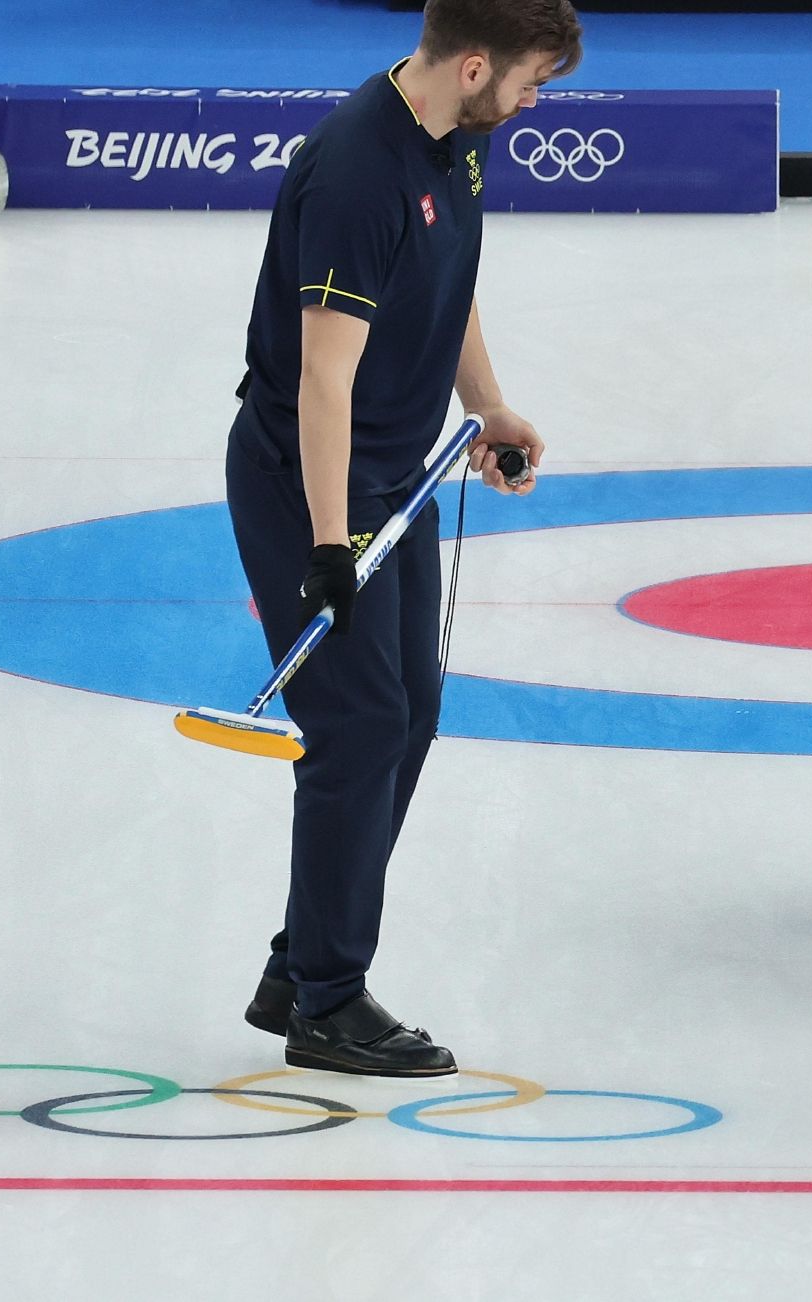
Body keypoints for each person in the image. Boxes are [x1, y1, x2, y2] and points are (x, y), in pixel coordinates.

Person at [226, 0, 581, 1074]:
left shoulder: (454, 141)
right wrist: (329, 546)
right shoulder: (355, 172)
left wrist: (488, 403)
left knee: (410, 708)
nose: (530, 105)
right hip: (311, 481)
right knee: (360, 723)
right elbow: (323, 379)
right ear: (474, 65)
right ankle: (328, 1001)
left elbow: (450, 279)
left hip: (395, 476)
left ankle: (303, 960)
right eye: (529, 84)